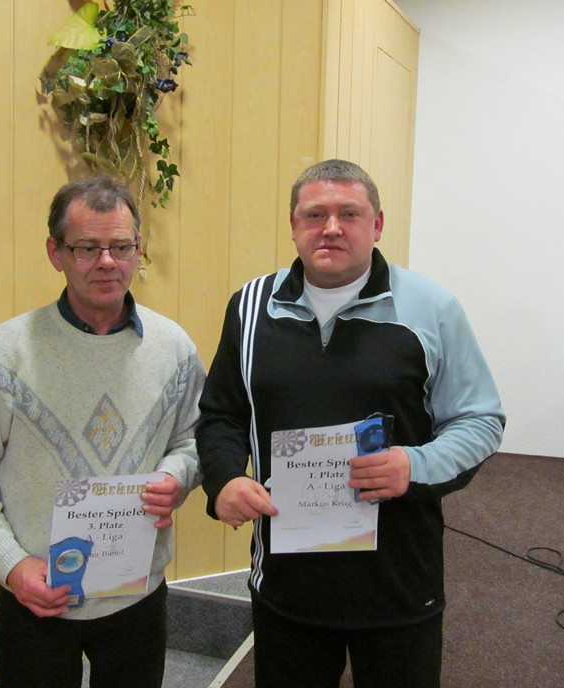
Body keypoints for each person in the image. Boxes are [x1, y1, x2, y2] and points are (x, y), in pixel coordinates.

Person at [196, 159, 505, 687]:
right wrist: (224, 479)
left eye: (350, 214)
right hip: (287, 584)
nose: (331, 228)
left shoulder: (432, 308)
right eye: (315, 214)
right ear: (293, 224)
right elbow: (221, 413)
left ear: (377, 224)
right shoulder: (249, 307)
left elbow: (479, 419)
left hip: (398, 583)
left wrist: (416, 464)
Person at [0, 175, 204, 688]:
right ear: (55, 253)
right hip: (37, 599)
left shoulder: (174, 349)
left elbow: (195, 438)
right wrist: (12, 565)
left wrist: (176, 476)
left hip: (137, 596)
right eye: (87, 248)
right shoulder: (1, 356)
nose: (107, 262)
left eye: (121, 246)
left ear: (138, 250)